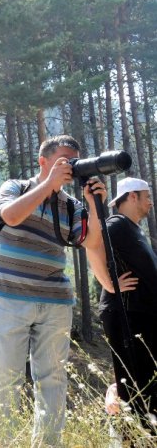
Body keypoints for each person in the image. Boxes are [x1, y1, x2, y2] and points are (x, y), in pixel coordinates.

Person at [0, 135, 106, 446]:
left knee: (53, 379)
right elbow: (10, 216)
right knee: (7, 377)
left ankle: (49, 443)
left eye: (74, 162)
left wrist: (94, 206)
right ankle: (3, 443)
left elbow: (91, 243)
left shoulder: (73, 206)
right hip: (9, 297)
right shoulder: (15, 187)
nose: (70, 168)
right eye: (64, 160)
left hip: (55, 302)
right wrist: (49, 185)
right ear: (43, 161)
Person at [89, 177, 157, 437]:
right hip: (127, 315)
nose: (151, 201)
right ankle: (129, 439)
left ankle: (146, 437)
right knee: (133, 386)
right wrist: (108, 283)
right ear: (131, 197)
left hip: (142, 317)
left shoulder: (133, 228)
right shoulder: (116, 225)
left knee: (148, 384)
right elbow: (92, 245)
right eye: (146, 196)